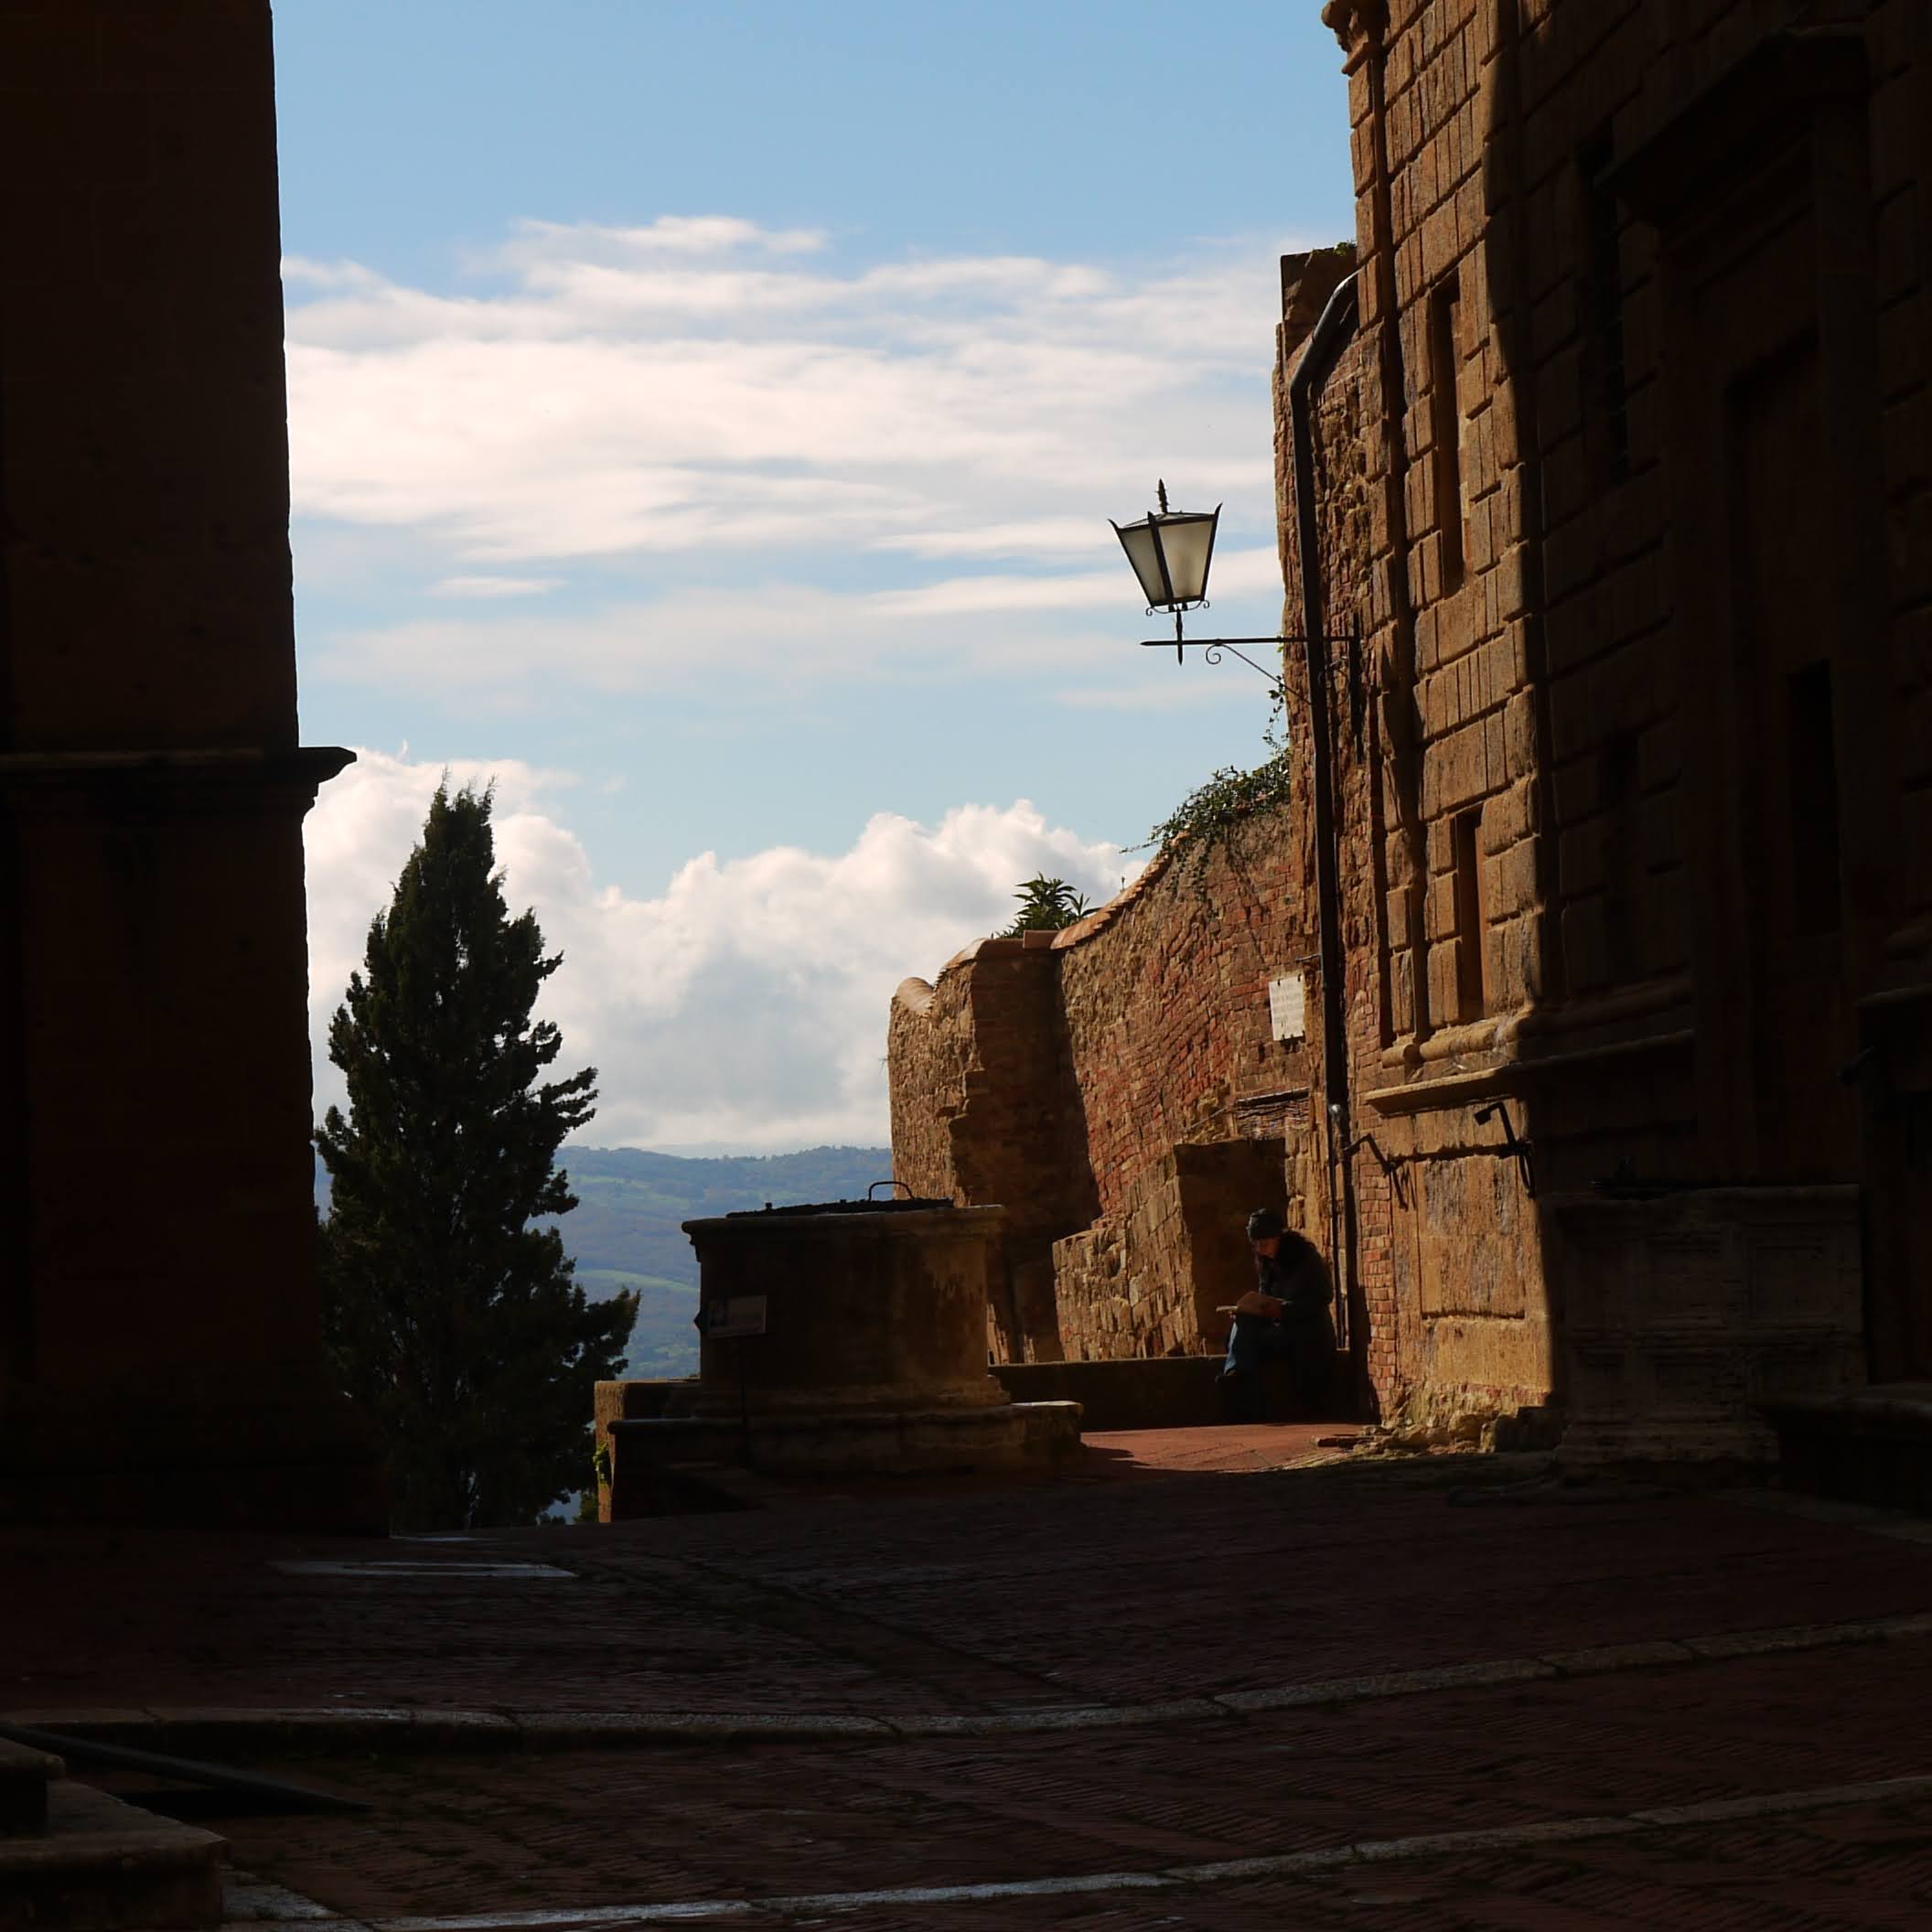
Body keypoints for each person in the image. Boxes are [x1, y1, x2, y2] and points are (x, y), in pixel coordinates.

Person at [1218, 1208, 1336, 1422]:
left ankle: (1238, 1378)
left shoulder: (1306, 1260)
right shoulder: (1266, 1263)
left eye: (1266, 1243)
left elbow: (1323, 1297)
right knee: (1244, 1322)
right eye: (1257, 1245)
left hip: (1304, 1330)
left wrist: (1284, 1310)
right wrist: (1251, 1310)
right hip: (1279, 1325)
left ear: (1280, 1238)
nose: (1261, 1249)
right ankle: (1235, 1377)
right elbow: (1264, 1298)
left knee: (1248, 1344)